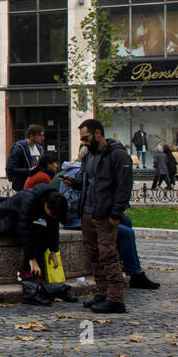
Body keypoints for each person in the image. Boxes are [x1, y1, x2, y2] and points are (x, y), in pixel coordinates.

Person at [60, 152, 160, 291]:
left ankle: (127, 263)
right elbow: (81, 201)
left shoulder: (83, 173)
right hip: (81, 218)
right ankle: (135, 274)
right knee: (125, 233)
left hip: (91, 213)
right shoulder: (81, 172)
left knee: (127, 222)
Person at [66, 119, 133, 313]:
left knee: (108, 255)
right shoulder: (89, 155)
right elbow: (88, 181)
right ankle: (102, 292)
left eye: (85, 138)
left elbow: (124, 186)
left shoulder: (118, 155)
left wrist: (116, 214)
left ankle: (116, 298)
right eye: (81, 139)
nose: (83, 142)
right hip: (87, 212)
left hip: (105, 214)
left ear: (97, 133)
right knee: (94, 254)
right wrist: (74, 183)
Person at [0, 185, 69, 303]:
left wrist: (53, 250)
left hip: (21, 223)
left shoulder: (52, 202)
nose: (51, 216)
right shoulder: (29, 200)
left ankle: (31, 275)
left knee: (42, 232)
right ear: (46, 204)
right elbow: (24, 229)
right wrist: (32, 258)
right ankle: (26, 273)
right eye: (51, 213)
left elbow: (53, 226)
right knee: (36, 233)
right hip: (6, 220)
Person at [6, 124, 45, 191]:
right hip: (23, 185)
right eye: (40, 135)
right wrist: (28, 171)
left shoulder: (39, 148)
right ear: (31, 136)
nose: (43, 138)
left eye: (43, 135)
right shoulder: (19, 148)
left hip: (36, 185)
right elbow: (10, 168)